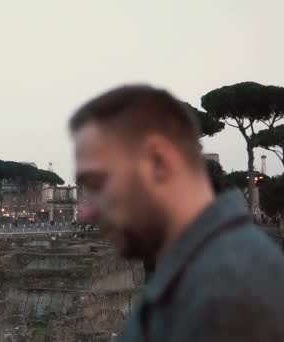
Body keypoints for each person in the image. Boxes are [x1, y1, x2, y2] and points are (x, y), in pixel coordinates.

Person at [70, 85, 284, 341]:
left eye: (97, 183)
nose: (85, 213)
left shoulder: (228, 298)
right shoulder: (202, 280)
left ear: (159, 162)